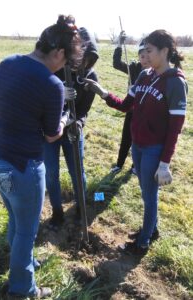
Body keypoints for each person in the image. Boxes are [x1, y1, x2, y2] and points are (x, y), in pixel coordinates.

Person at [0, 15, 83, 298]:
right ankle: (23, 288)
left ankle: (26, 264)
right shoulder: (52, 85)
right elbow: (50, 135)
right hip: (25, 167)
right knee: (26, 231)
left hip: (0, 163)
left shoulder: (7, 63)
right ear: (58, 52)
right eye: (65, 60)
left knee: (15, 219)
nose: (63, 66)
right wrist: (65, 118)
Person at [85, 29, 187, 255]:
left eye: (150, 51)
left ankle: (142, 244)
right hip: (138, 146)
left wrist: (164, 164)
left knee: (149, 196)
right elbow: (125, 105)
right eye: (145, 51)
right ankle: (153, 230)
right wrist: (103, 93)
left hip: (154, 148)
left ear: (165, 51)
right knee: (145, 191)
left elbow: (175, 128)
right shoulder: (144, 75)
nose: (145, 55)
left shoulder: (175, 83)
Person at [44, 27, 99, 229]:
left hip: (73, 132)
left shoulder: (91, 76)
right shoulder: (55, 70)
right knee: (51, 173)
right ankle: (57, 213)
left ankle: (80, 209)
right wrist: (58, 95)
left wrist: (77, 123)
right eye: (79, 56)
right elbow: (41, 101)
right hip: (50, 131)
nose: (82, 62)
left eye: (88, 58)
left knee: (77, 171)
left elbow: (84, 111)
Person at [111, 32, 150, 174]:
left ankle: (135, 166)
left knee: (138, 140)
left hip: (145, 113)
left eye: (147, 56)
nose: (144, 59)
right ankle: (119, 165)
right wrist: (119, 44)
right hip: (131, 109)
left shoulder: (154, 73)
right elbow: (116, 63)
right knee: (126, 138)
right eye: (142, 56)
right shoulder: (133, 67)